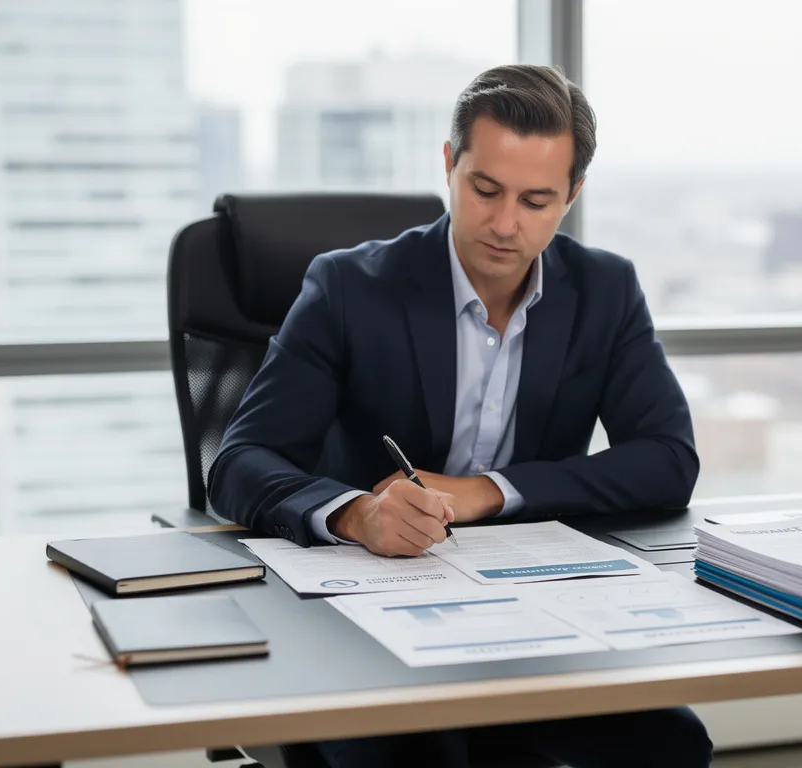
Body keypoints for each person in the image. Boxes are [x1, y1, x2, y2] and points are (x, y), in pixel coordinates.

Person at [210, 64, 710, 768]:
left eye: (536, 200)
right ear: (450, 165)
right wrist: (356, 514)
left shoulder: (605, 290)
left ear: (572, 195)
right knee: (423, 756)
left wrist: (488, 492)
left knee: (671, 745)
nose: (505, 225)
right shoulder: (350, 286)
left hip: (536, 617)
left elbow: (668, 458)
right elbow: (238, 463)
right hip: (367, 614)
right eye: (485, 189)